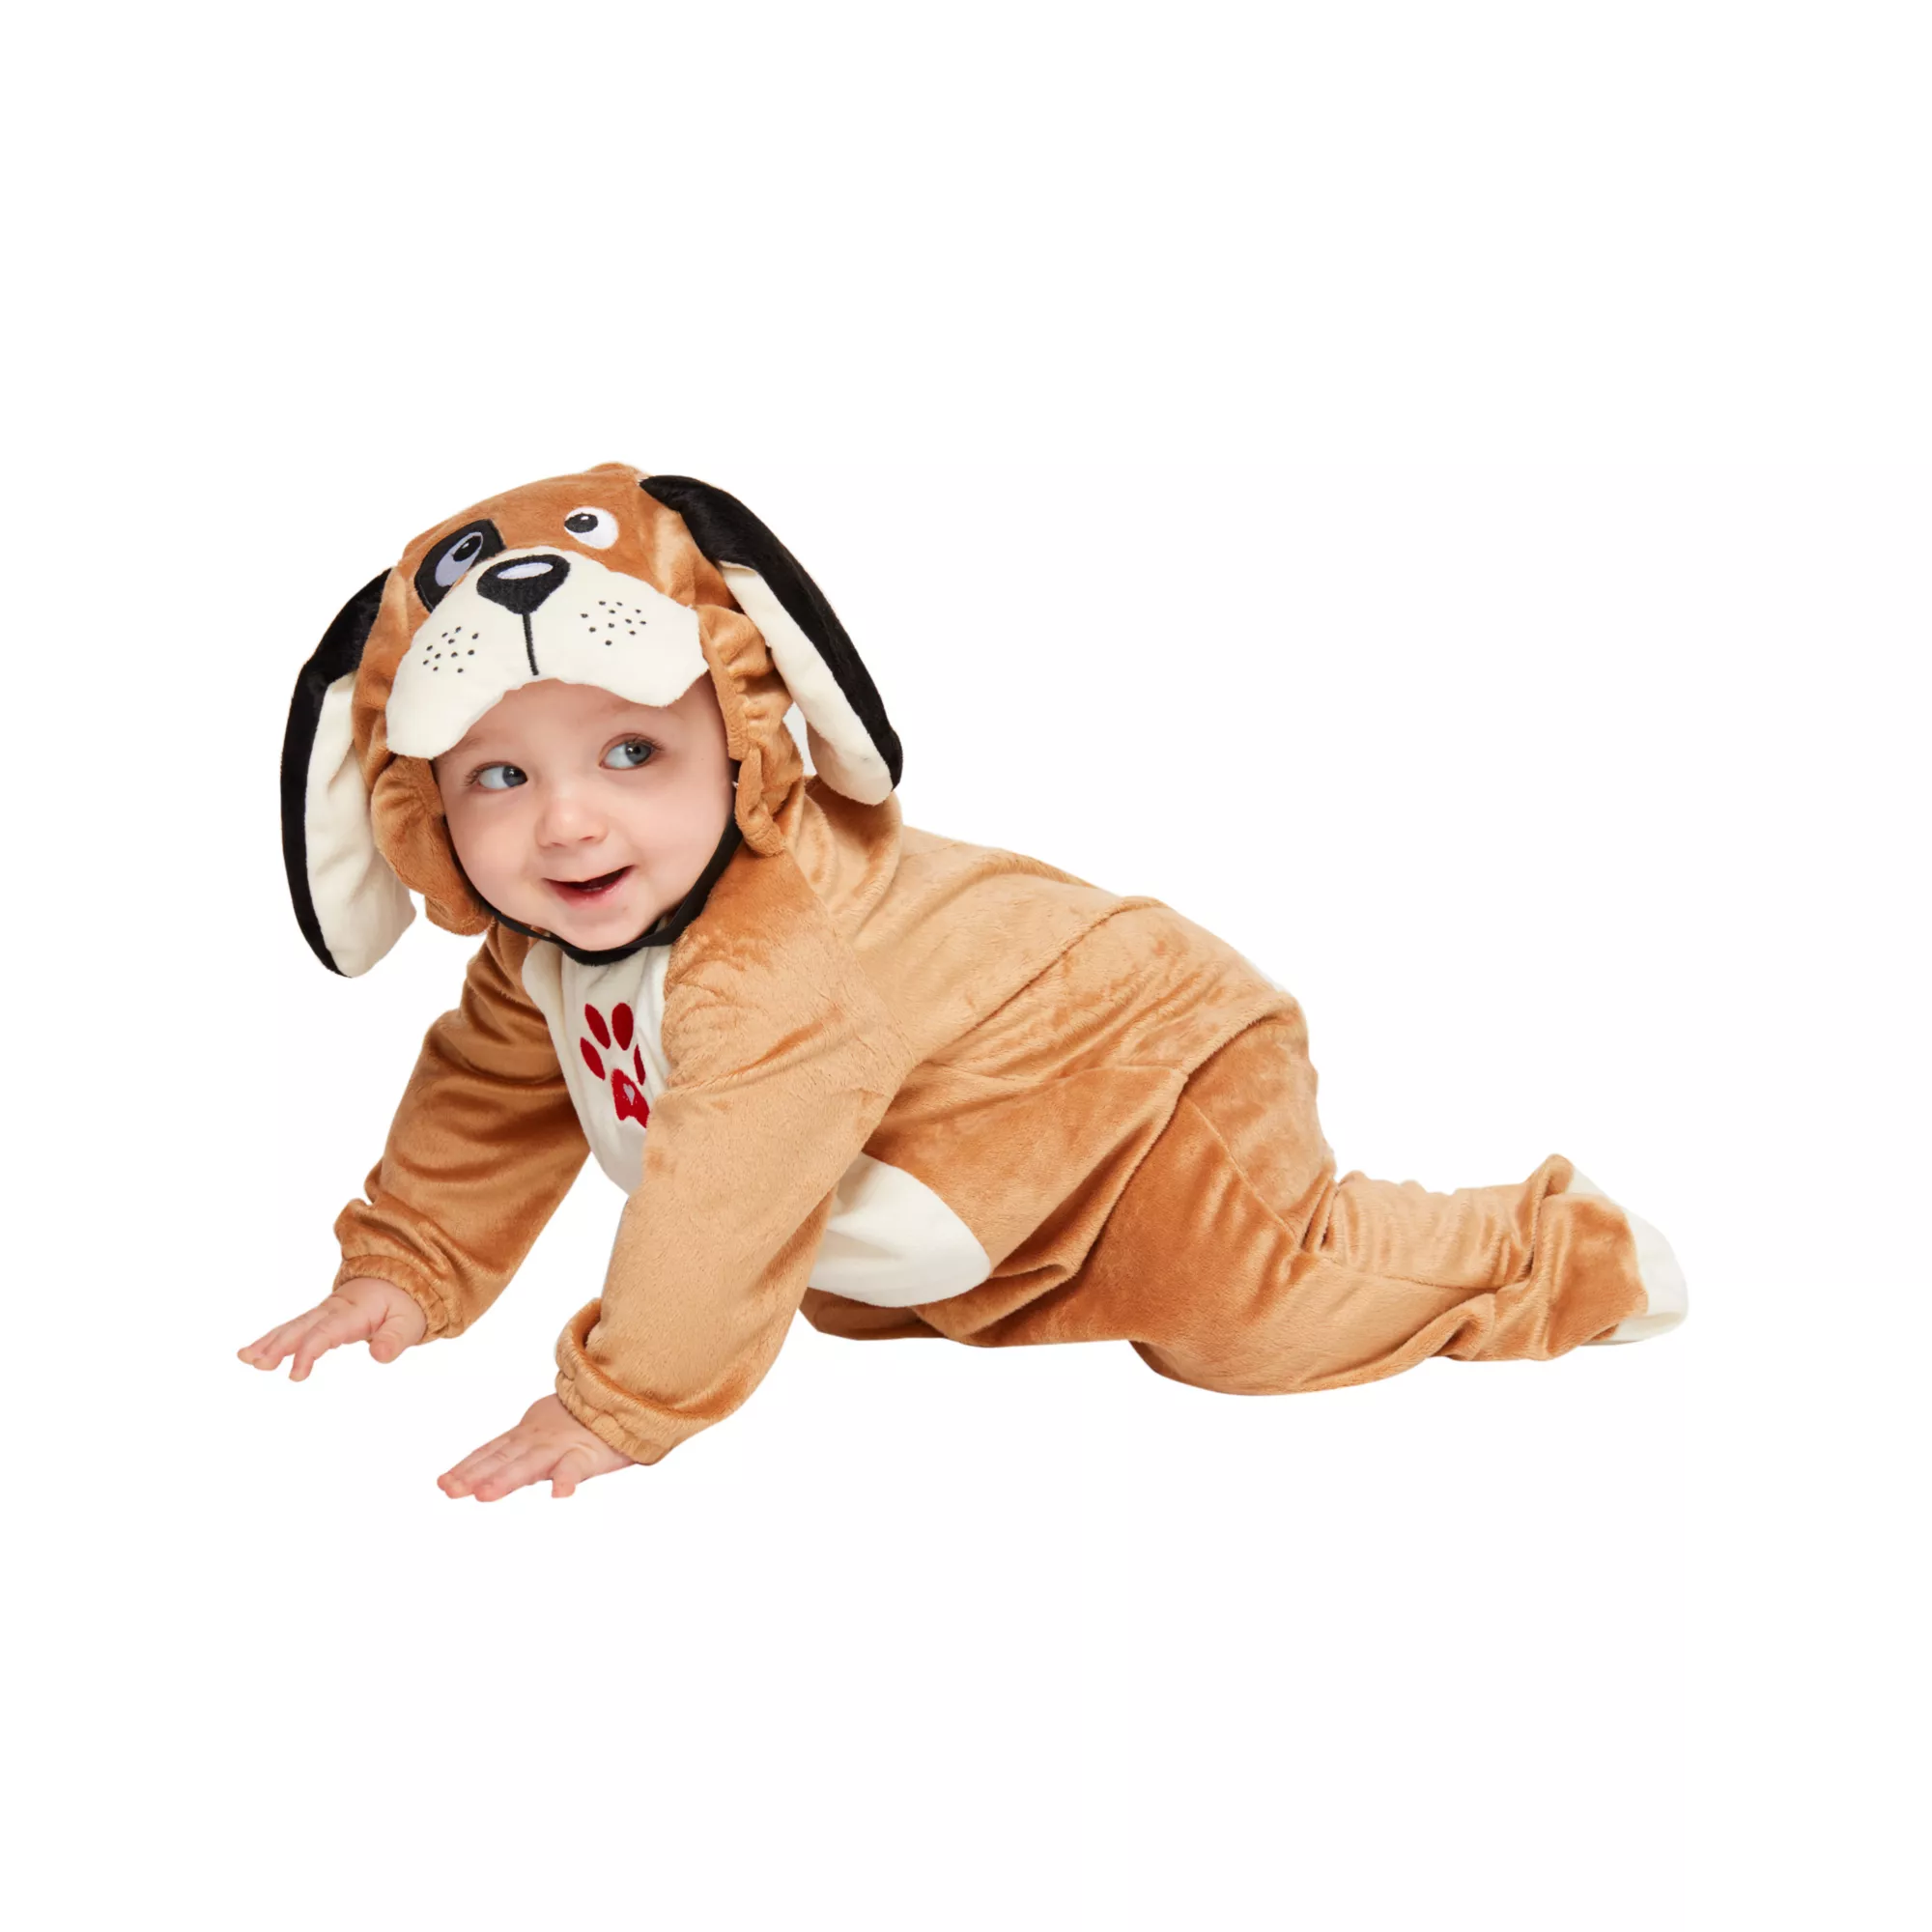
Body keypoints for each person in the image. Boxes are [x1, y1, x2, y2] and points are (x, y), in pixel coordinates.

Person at [242, 463, 1688, 1501]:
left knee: (1246, 1319)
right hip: (976, 1127)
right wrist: (403, 1272)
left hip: (1147, 1073)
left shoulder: (768, 955)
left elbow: (726, 1189)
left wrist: (620, 1405)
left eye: (633, 753)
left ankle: (1562, 1252)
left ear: (743, 734)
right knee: (887, 1298)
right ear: (415, 813)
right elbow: (490, 1105)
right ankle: (1005, 1264)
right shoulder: (540, 951)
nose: (569, 824)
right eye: (499, 777)